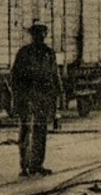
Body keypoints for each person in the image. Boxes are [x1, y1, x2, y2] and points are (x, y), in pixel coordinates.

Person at [10, 21, 63, 177]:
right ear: (32, 35)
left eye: (42, 33)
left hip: (43, 96)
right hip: (27, 95)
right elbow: (15, 76)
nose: (40, 36)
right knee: (26, 129)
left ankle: (37, 165)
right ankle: (25, 166)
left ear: (45, 35)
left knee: (40, 130)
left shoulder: (49, 53)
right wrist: (17, 96)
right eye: (36, 33)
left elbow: (55, 74)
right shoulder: (24, 53)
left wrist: (59, 94)